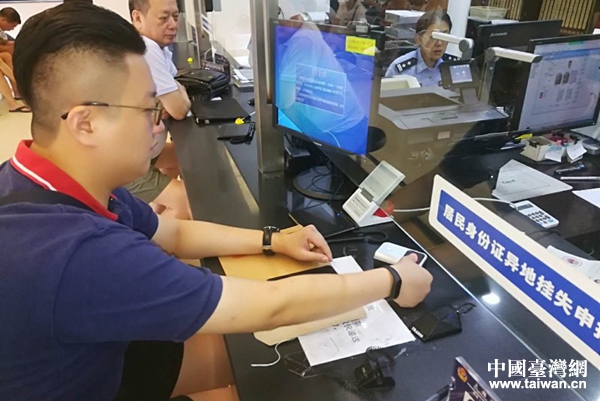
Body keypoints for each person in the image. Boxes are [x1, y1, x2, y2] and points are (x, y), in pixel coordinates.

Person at [1, 3, 433, 401]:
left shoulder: (47, 181)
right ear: (86, 124)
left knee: (253, 362)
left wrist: (273, 240)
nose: (159, 125)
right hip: (96, 383)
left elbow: (172, 232)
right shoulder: (78, 253)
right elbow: (270, 306)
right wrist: (392, 281)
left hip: (98, 359)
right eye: (148, 109)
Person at [127, 0, 191, 220]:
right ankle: (154, 239)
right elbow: (179, 109)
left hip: (144, 151)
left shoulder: (156, 48)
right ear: (138, 18)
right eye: (164, 18)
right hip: (125, 162)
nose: (173, 25)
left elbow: (176, 88)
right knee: (188, 201)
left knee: (184, 161)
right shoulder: (146, 48)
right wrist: (175, 95)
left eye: (176, 16)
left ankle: (153, 221)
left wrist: (174, 94)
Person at [385, 10, 458, 86]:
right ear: (418, 39)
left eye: (444, 36)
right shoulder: (400, 69)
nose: (439, 43)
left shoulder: (454, 67)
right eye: (433, 37)